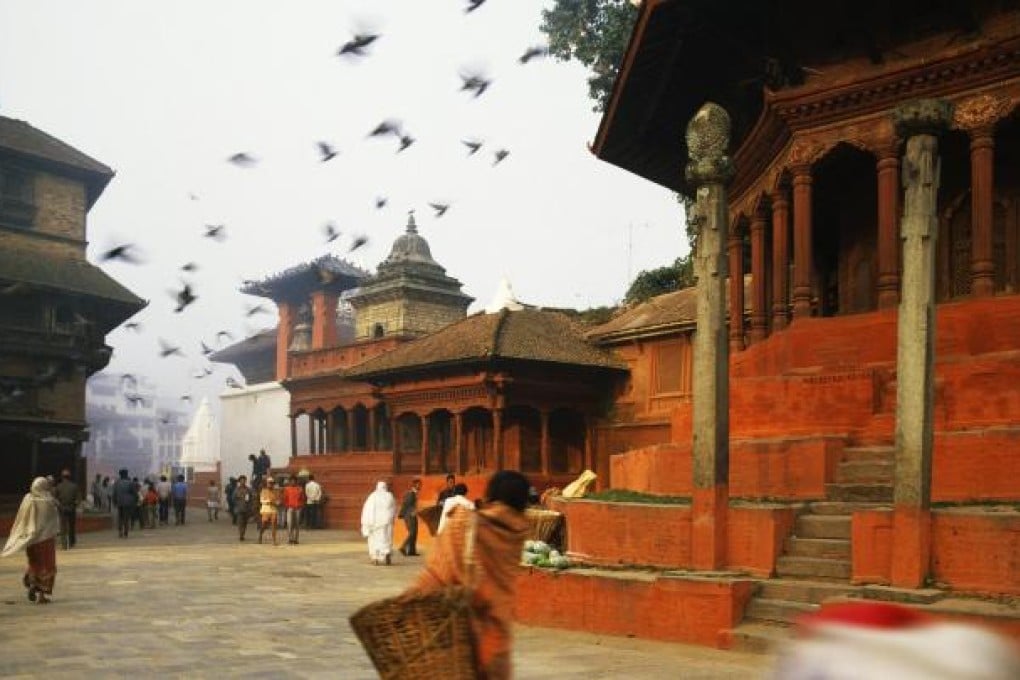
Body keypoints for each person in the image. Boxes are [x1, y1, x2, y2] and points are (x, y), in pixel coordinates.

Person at [408, 470, 530, 680]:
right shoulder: (517, 532)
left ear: (491, 495)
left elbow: (438, 572)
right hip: (496, 640)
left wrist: (409, 602)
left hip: (462, 637)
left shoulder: (465, 523)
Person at [2, 477, 61, 604]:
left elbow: (21, 518)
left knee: (34, 563)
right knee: (46, 566)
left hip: (32, 539)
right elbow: (54, 518)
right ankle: (41, 596)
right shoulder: (49, 501)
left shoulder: (27, 499)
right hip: (46, 540)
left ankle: (33, 584)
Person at [360, 480, 396, 566]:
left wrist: (367, 523)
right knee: (386, 540)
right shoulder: (389, 496)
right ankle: (387, 556)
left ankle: (375, 558)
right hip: (386, 523)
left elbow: (367, 510)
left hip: (375, 524)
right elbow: (393, 509)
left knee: (374, 541)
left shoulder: (372, 496)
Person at [53, 469, 79, 549]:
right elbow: (78, 499)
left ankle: (64, 545)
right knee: (71, 526)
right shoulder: (74, 486)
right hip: (71, 508)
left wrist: (59, 506)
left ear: (62, 477)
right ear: (69, 477)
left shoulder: (58, 486)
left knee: (63, 528)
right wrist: (74, 506)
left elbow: (55, 499)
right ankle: (71, 543)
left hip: (62, 509)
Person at [398, 478, 422, 557]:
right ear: (415, 485)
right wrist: (412, 512)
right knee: (412, 532)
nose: (420, 486)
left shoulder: (414, 493)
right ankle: (403, 547)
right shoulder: (411, 494)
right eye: (419, 484)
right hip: (409, 515)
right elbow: (408, 505)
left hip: (412, 515)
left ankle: (412, 551)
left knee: (414, 532)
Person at [112, 469, 136, 538]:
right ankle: (125, 532)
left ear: (120, 475)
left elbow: (114, 493)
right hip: (128, 503)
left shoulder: (116, 483)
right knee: (126, 517)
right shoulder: (130, 483)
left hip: (119, 502)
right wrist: (134, 502)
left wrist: (114, 501)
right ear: (126, 474)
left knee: (120, 517)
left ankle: (120, 531)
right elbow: (134, 493)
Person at [258, 477, 281, 545]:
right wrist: (269, 502)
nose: (271, 485)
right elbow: (261, 500)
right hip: (265, 510)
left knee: (273, 525)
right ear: (267, 484)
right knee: (264, 524)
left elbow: (278, 500)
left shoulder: (276, 491)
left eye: (272, 483)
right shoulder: (263, 491)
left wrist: (277, 503)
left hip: (273, 510)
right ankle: (260, 536)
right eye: (269, 483)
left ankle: (274, 540)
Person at [282, 475, 304, 544]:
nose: (293, 482)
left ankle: (296, 539)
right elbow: (285, 499)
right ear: (290, 481)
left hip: (297, 508)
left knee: (297, 524)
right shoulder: (287, 489)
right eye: (292, 481)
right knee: (289, 523)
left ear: (296, 481)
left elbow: (302, 498)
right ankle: (290, 538)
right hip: (290, 508)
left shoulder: (299, 489)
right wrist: (287, 506)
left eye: (294, 481)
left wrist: (300, 506)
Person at [233, 476, 253, 541]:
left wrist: (250, 507)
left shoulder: (248, 489)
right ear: (239, 481)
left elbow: (251, 499)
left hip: (246, 509)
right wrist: (237, 503)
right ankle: (241, 535)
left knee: (245, 523)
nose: (243, 482)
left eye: (244, 480)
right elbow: (233, 498)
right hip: (239, 509)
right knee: (240, 523)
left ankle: (243, 534)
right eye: (241, 480)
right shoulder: (236, 489)